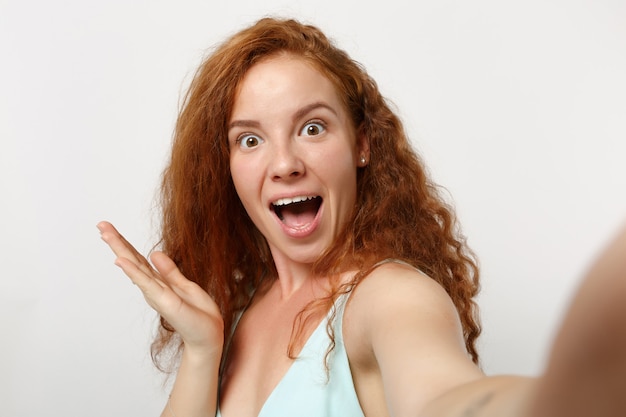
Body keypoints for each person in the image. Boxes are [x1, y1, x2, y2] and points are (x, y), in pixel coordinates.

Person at [97, 17, 626, 417]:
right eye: (251, 139)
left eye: (312, 128)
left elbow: (451, 398)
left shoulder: (390, 296)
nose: (284, 164)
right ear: (227, 168)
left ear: (362, 145)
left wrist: (564, 394)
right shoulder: (237, 310)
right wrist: (199, 351)